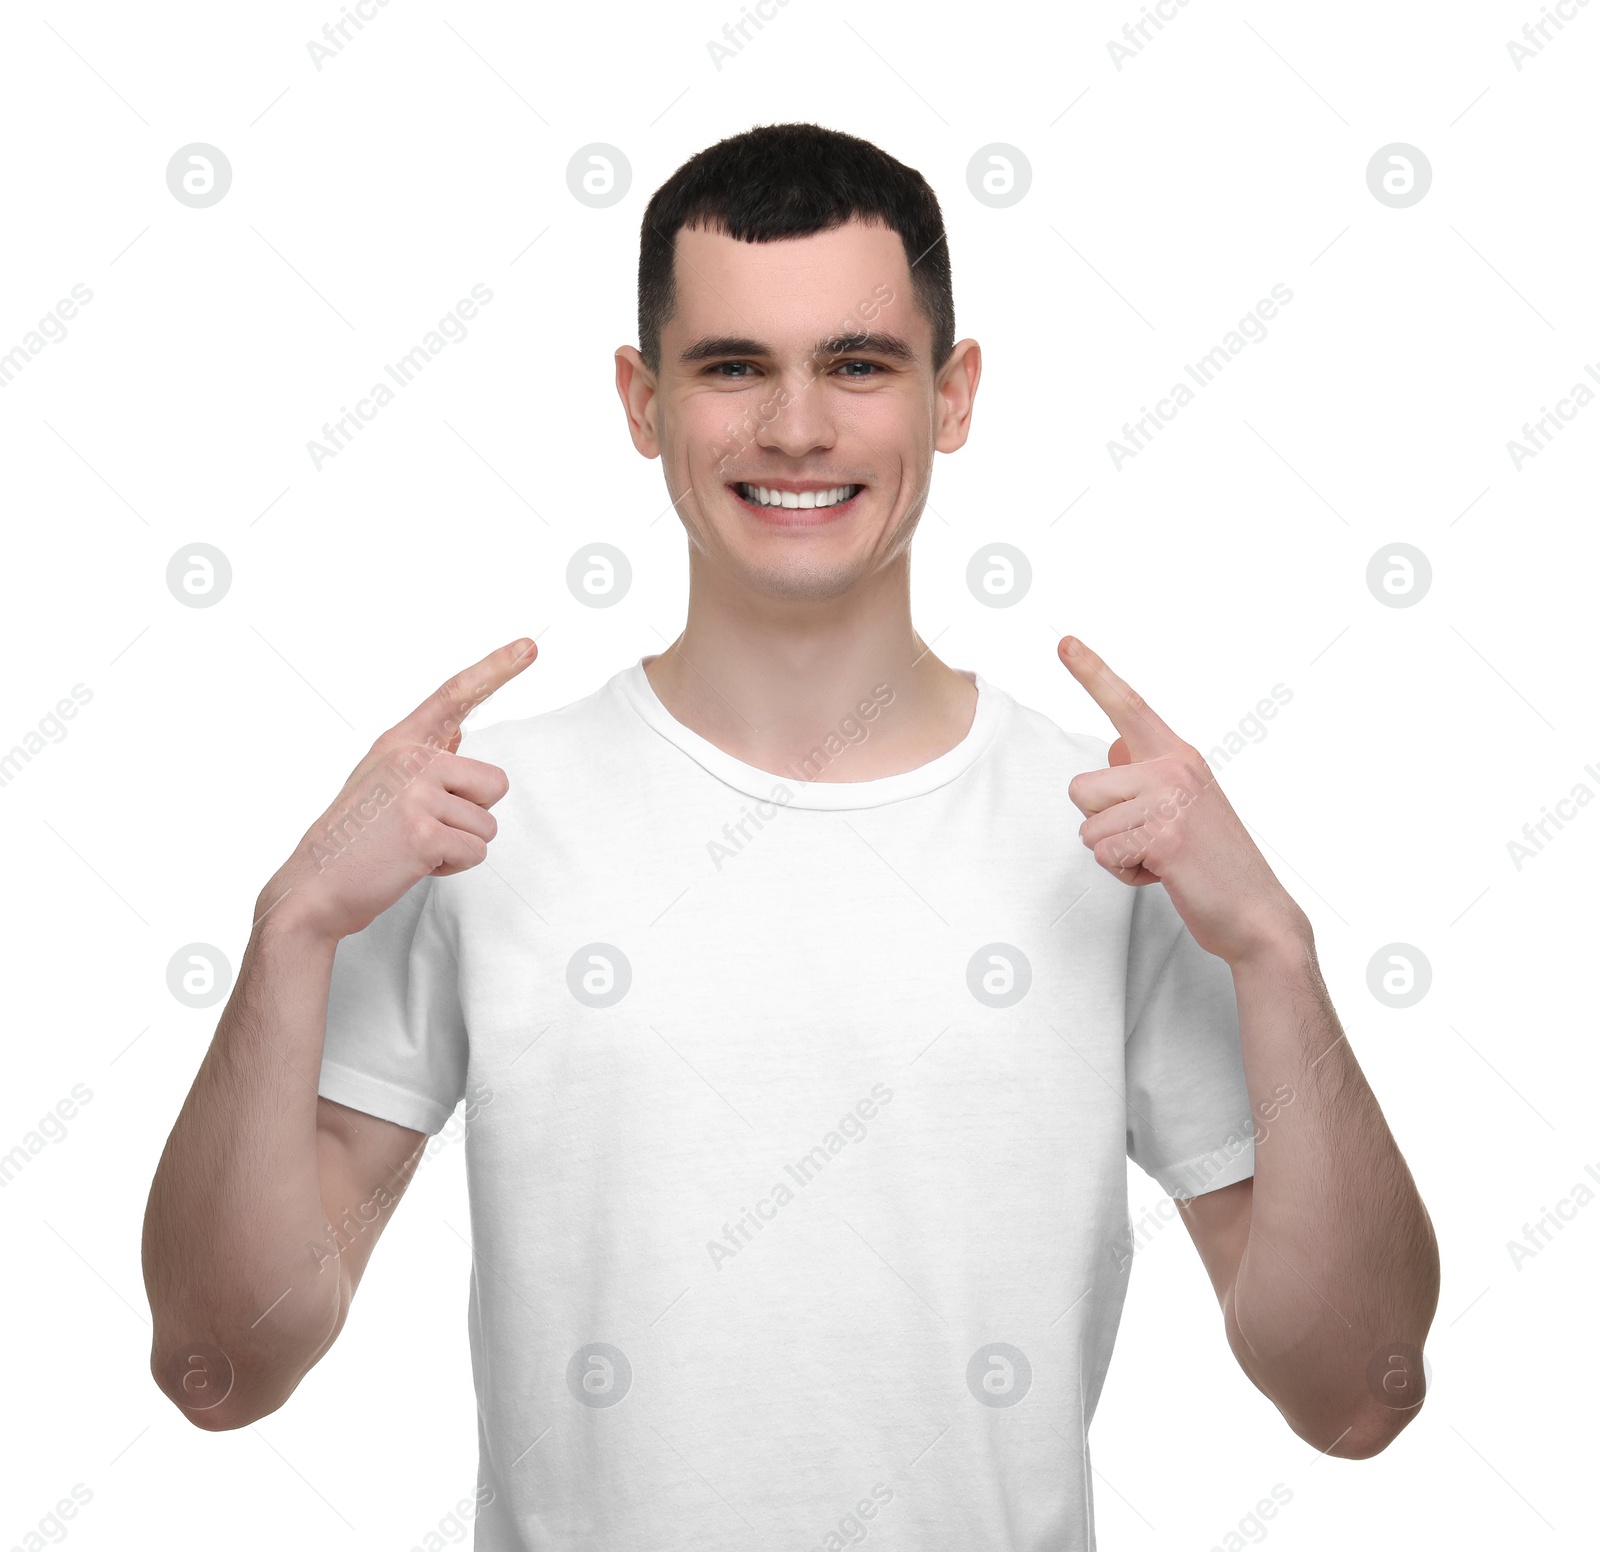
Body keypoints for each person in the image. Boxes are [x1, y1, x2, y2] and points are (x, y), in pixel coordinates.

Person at [141, 122, 1439, 1549]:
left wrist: (1276, 950)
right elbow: (223, 1369)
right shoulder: (473, 825)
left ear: (954, 397)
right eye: (733, 366)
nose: (799, 429)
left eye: (860, 363)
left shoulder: (1113, 840)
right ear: (642, 401)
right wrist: (290, 930)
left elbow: (1353, 1398)